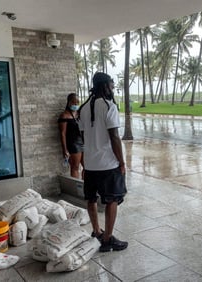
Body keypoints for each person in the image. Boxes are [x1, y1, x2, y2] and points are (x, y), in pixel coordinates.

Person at [78, 72, 128, 252]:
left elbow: (84, 138)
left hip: (90, 164)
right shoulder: (109, 107)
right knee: (112, 199)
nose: (112, 89)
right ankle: (107, 239)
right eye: (112, 86)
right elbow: (114, 137)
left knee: (91, 198)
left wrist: (84, 163)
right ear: (105, 86)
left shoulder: (83, 109)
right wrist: (122, 162)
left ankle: (96, 231)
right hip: (108, 164)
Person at [58, 93, 84, 179]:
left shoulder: (79, 113)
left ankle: (86, 187)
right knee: (75, 167)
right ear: (69, 102)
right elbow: (62, 133)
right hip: (73, 144)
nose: (76, 104)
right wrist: (64, 149)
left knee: (87, 166)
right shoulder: (64, 115)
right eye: (74, 102)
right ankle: (76, 190)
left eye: (77, 102)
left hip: (83, 142)